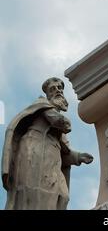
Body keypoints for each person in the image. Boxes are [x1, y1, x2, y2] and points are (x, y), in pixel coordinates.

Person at [1, 77, 93, 210]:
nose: (58, 91)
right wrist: (63, 119)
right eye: (53, 89)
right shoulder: (43, 105)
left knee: (63, 196)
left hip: (52, 159)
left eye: (60, 88)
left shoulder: (55, 117)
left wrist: (78, 157)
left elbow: (64, 151)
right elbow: (61, 122)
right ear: (47, 94)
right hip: (34, 150)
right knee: (36, 194)